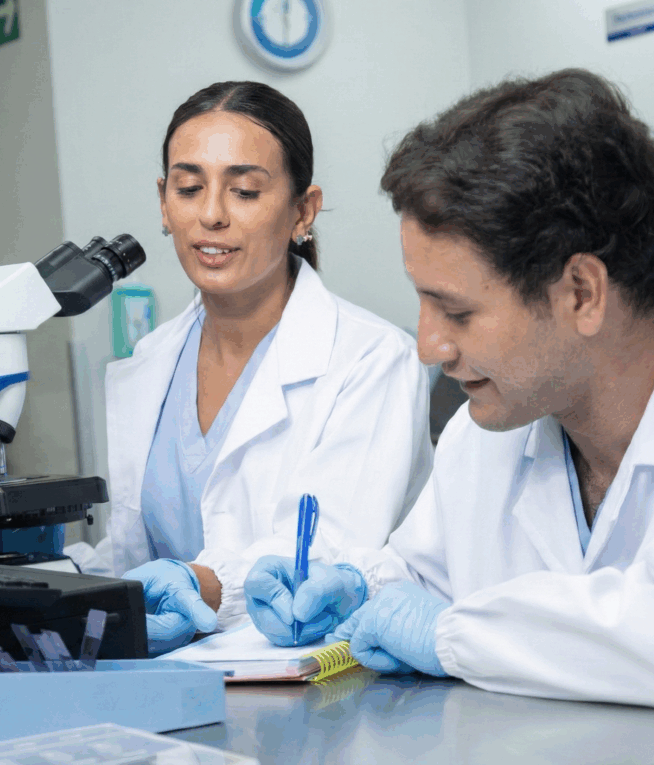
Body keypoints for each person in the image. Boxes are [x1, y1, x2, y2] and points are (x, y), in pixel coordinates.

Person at [244, 68, 654, 733]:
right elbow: (424, 577)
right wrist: (355, 590)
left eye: (456, 311)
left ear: (582, 292)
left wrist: (448, 634)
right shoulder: (488, 432)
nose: (429, 347)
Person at [66, 81, 433, 653]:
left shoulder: (371, 359)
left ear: (303, 210)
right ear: (164, 202)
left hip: (310, 679)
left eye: (244, 191)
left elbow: (324, 557)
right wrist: (53, 578)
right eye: (189, 188)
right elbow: (135, 555)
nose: (211, 215)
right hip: (166, 675)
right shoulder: (149, 364)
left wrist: (199, 586)